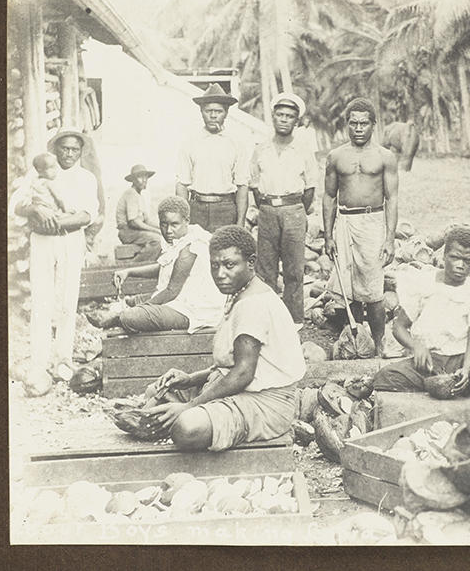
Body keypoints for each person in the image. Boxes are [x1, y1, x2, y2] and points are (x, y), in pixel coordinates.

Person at [140, 225, 307, 451]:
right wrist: (190, 379)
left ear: (251, 262)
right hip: (243, 390)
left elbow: (243, 373)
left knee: (186, 428)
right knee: (155, 393)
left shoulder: (252, 304)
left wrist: (189, 406)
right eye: (214, 265)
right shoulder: (239, 292)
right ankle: (184, 413)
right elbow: (232, 365)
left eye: (230, 265)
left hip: (266, 404)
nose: (220, 274)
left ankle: (190, 417)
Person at [9, 127, 99, 380]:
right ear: (55, 149)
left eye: (74, 149)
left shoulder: (86, 177)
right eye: (64, 148)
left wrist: (59, 221)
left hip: (69, 240)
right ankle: (39, 361)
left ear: (81, 151)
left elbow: (88, 214)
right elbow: (14, 205)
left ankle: (63, 360)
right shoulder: (37, 174)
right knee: (41, 298)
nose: (69, 154)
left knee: (67, 300)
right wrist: (36, 209)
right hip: (42, 241)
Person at [372, 227, 470, 401]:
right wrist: (416, 346)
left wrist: (465, 369)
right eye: (455, 258)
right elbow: (399, 327)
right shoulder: (423, 284)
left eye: (467, 261)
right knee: (384, 377)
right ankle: (440, 384)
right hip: (430, 360)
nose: (460, 265)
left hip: (463, 357)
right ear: (444, 255)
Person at [323, 98, 399, 357]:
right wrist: (328, 235)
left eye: (363, 123)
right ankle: (357, 343)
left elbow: (392, 199)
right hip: (345, 221)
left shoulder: (384, 157)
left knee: (374, 289)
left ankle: (379, 344)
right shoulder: (336, 156)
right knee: (351, 289)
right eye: (353, 123)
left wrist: (390, 238)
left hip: (372, 221)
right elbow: (329, 196)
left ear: (373, 125)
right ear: (347, 124)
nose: (358, 128)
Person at [86, 196, 225, 334]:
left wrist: (138, 310)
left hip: (193, 309)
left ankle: (118, 318)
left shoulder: (190, 246)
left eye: (174, 224)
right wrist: (128, 272)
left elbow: (171, 291)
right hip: (180, 298)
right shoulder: (178, 238)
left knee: (131, 316)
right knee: (134, 300)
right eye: (164, 224)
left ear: (186, 221)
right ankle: (122, 309)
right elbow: (165, 267)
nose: (169, 230)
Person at [250, 93, 318, 327]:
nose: (284, 120)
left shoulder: (303, 151)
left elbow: (310, 188)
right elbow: (254, 185)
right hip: (268, 211)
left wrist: (295, 208)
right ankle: (268, 320)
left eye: (289, 116)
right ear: (273, 118)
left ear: (296, 123)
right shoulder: (261, 149)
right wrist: (269, 207)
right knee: (266, 268)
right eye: (280, 115)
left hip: (294, 211)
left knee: (293, 269)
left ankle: (293, 321)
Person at [175, 83, 250, 232]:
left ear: (226, 113)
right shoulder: (190, 143)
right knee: (196, 251)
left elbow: (242, 186)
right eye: (209, 111)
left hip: (226, 209)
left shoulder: (236, 144)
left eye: (218, 111)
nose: (213, 115)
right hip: (196, 209)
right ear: (201, 112)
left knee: (225, 253)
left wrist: (240, 222)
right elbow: (182, 185)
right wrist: (183, 218)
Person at [115, 164, 162, 263]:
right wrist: (155, 231)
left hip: (135, 232)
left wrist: (161, 228)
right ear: (133, 180)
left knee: (162, 237)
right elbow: (133, 222)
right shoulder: (131, 194)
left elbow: (147, 220)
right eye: (140, 177)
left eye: (146, 177)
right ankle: (135, 264)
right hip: (127, 232)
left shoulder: (139, 196)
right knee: (157, 240)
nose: (144, 180)